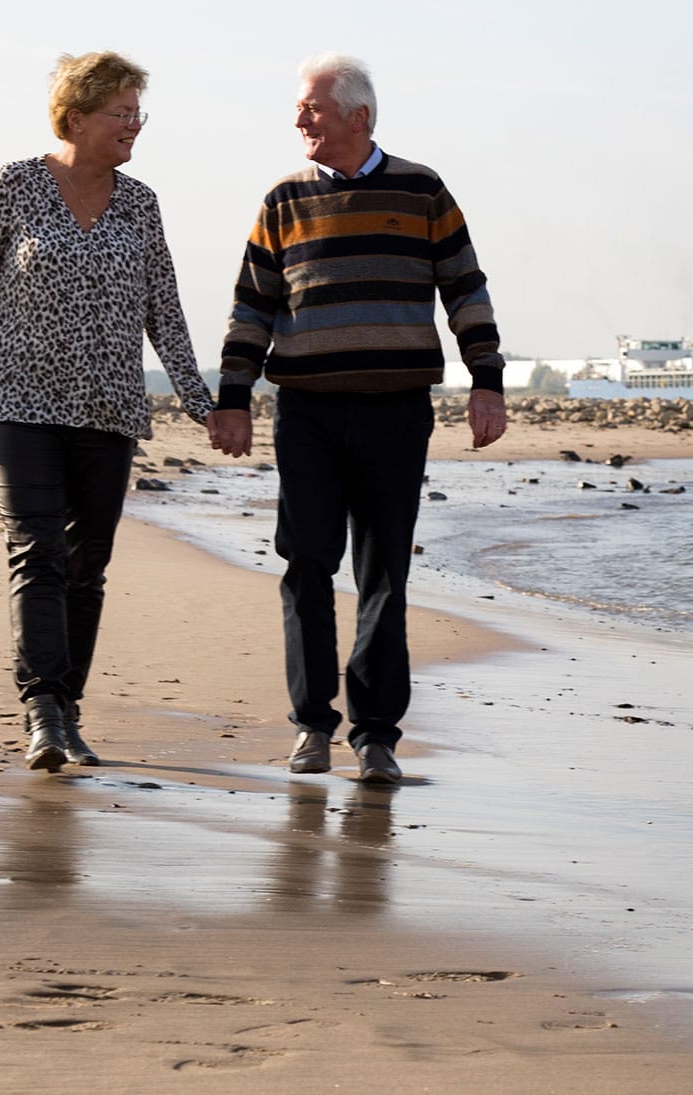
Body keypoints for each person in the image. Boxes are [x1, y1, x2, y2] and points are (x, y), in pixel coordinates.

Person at [0, 51, 214, 773]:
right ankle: (42, 709)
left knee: (88, 563)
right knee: (37, 550)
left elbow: (163, 310)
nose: (134, 127)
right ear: (76, 116)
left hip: (109, 409)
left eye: (140, 115)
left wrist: (201, 402)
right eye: (122, 113)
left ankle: (69, 710)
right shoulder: (13, 184)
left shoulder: (141, 203)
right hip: (19, 404)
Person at [207, 53, 507, 786]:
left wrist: (487, 382)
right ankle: (313, 724)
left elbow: (465, 287)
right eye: (300, 107)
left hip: (396, 412)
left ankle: (376, 736)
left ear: (357, 116)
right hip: (306, 411)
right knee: (307, 561)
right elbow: (252, 305)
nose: (300, 118)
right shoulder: (283, 199)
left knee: (383, 573)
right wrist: (234, 397)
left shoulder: (422, 189)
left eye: (312, 106)